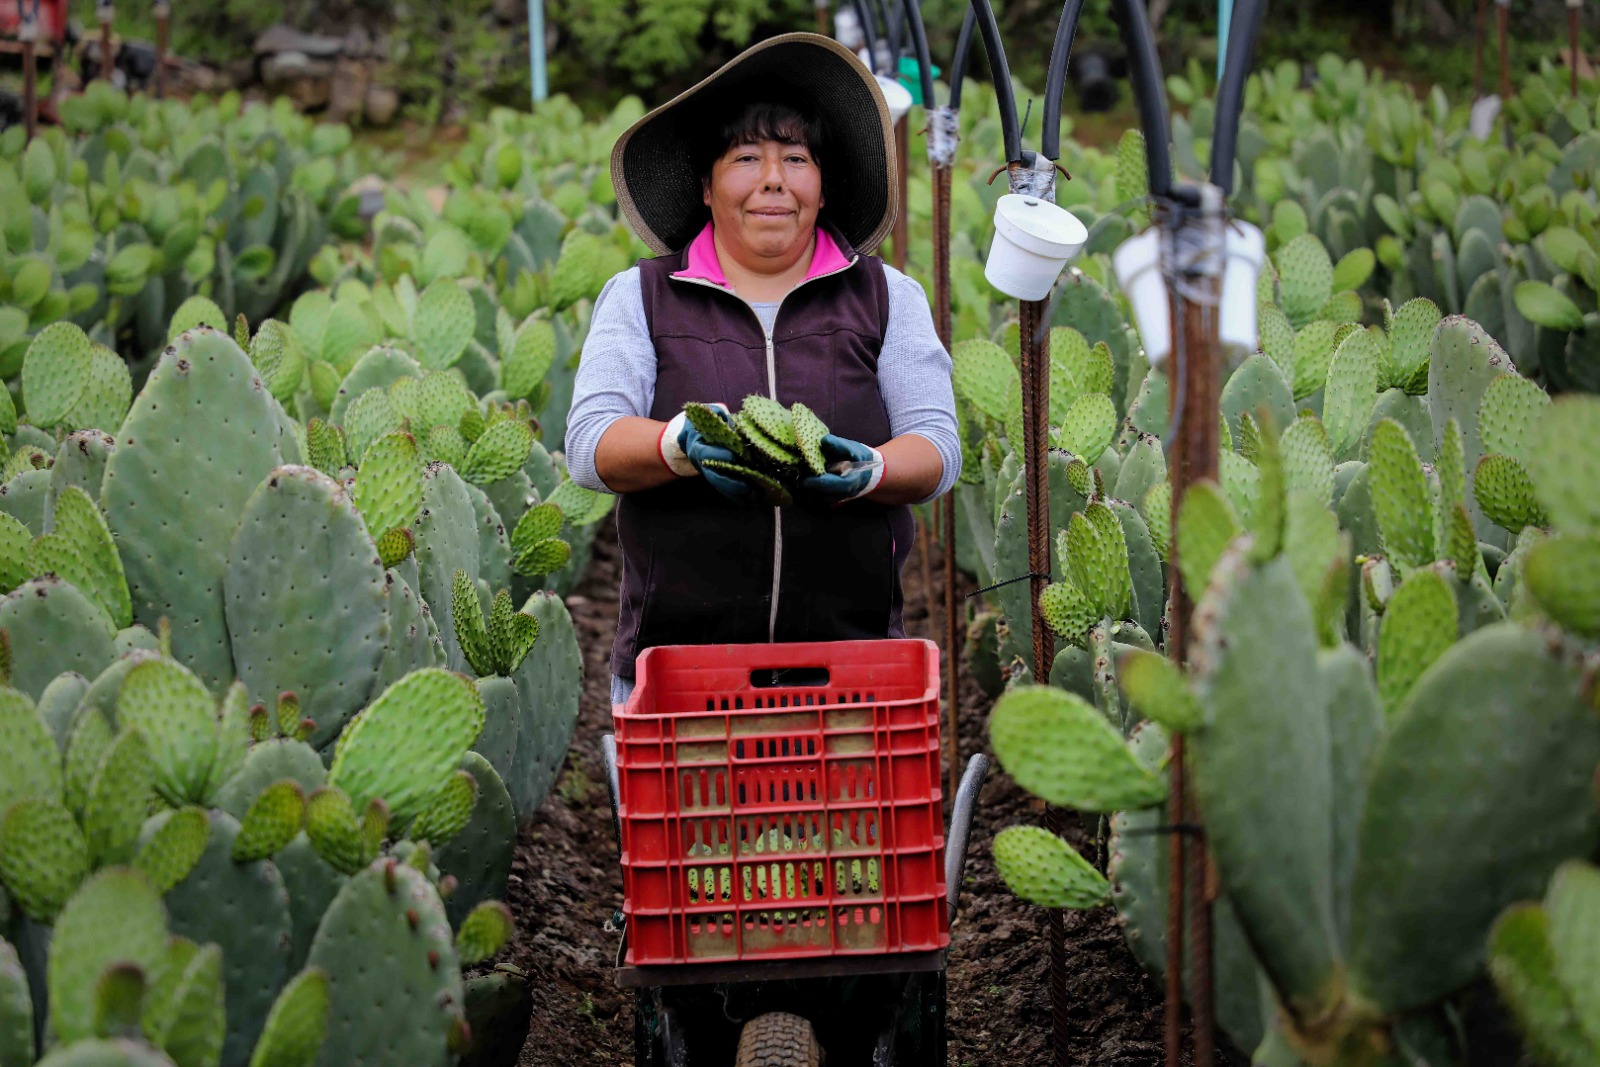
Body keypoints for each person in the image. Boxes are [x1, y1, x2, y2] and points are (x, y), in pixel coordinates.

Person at [564, 33, 960, 706]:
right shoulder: (640, 296)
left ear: (824, 186)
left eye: (796, 159)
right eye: (747, 157)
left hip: (851, 663)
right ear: (707, 187)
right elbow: (588, 445)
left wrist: (871, 469)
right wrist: (678, 445)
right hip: (680, 667)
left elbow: (938, 446)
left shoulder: (889, 296)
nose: (773, 179)